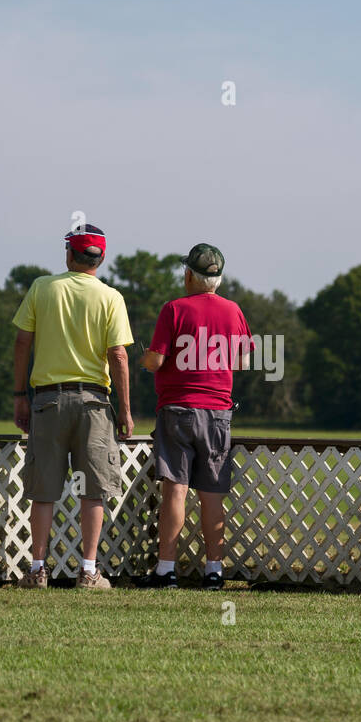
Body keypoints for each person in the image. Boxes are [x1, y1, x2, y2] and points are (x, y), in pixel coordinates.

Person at [11, 223, 134, 589]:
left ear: (69, 255)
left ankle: (36, 570)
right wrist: (125, 410)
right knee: (93, 488)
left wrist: (20, 395)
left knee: (44, 488)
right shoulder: (111, 297)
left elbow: (22, 343)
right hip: (95, 402)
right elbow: (118, 356)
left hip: (47, 399)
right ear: (102, 258)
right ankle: (89, 570)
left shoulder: (42, 288)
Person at [137, 244, 251, 590]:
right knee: (212, 493)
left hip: (177, 410)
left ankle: (166, 570)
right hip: (217, 412)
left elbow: (156, 361)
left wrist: (145, 358)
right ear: (218, 279)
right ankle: (214, 571)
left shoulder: (174, 309)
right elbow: (244, 362)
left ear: (189, 275)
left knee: (176, 490)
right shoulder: (233, 311)